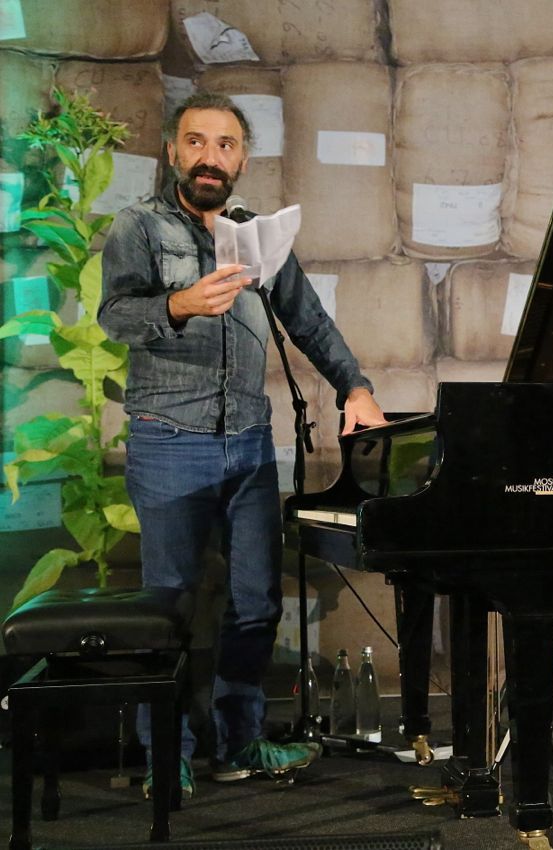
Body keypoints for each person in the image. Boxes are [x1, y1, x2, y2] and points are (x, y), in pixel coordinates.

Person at [99, 92, 387, 798]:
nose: (210, 157)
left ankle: (239, 742)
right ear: (173, 151)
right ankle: (166, 755)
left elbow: (308, 320)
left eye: (225, 145)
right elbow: (115, 316)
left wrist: (355, 388)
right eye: (196, 142)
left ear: (242, 160)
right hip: (169, 440)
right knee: (169, 605)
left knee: (256, 602)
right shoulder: (139, 226)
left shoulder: (258, 236)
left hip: (249, 443)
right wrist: (178, 304)